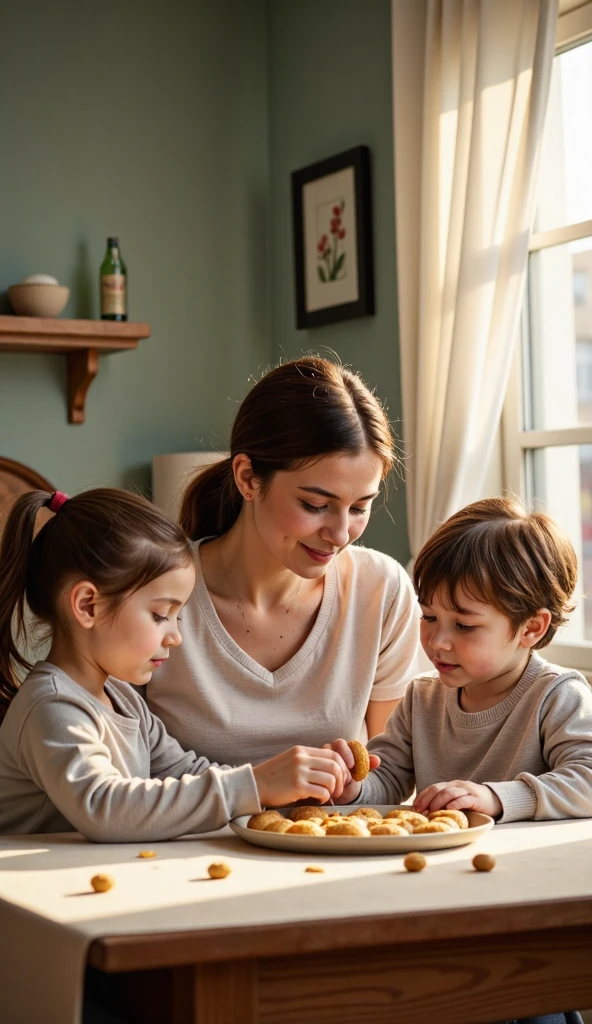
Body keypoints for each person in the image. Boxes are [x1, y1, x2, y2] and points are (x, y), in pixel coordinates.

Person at [0, 488, 350, 842]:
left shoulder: (123, 699)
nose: (175, 637)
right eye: (160, 615)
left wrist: (290, 787)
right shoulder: (51, 706)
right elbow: (106, 810)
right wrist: (256, 785)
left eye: (178, 617)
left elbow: (187, 773)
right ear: (88, 605)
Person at [145, 356, 420, 765]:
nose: (340, 534)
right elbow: (122, 784)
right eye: (315, 504)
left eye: (361, 507)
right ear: (248, 478)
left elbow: (392, 771)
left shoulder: (381, 590)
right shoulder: (153, 595)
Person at [329, 496, 592, 821]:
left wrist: (497, 797)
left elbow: (587, 780)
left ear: (531, 628)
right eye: (428, 617)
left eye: (464, 625)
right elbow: (387, 780)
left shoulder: (558, 696)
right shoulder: (421, 699)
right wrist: (352, 788)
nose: (438, 641)